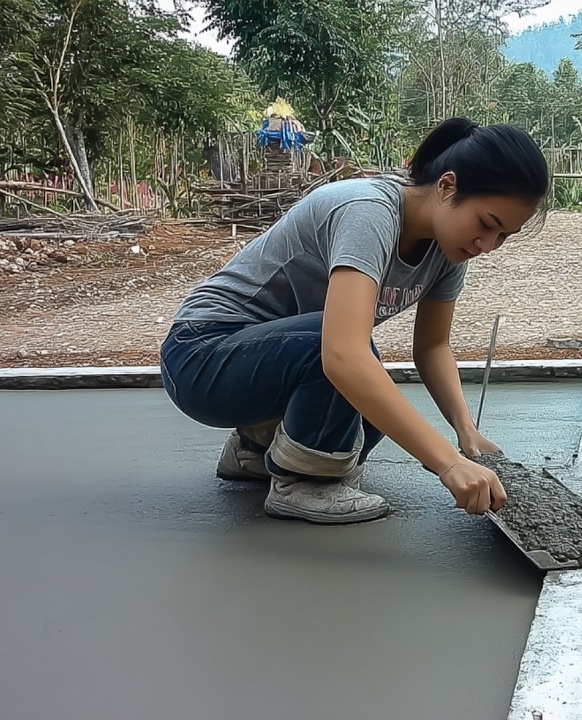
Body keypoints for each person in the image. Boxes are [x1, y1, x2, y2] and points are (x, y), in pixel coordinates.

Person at [159, 117, 550, 525]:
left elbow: (433, 346)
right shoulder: (368, 212)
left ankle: (254, 452)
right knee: (343, 355)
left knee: (369, 417)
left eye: (505, 235)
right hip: (201, 356)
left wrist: (465, 433)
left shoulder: (448, 247)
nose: (487, 245)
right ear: (447, 186)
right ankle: (303, 483)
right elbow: (341, 354)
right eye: (487, 224)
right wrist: (448, 465)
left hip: (263, 361)